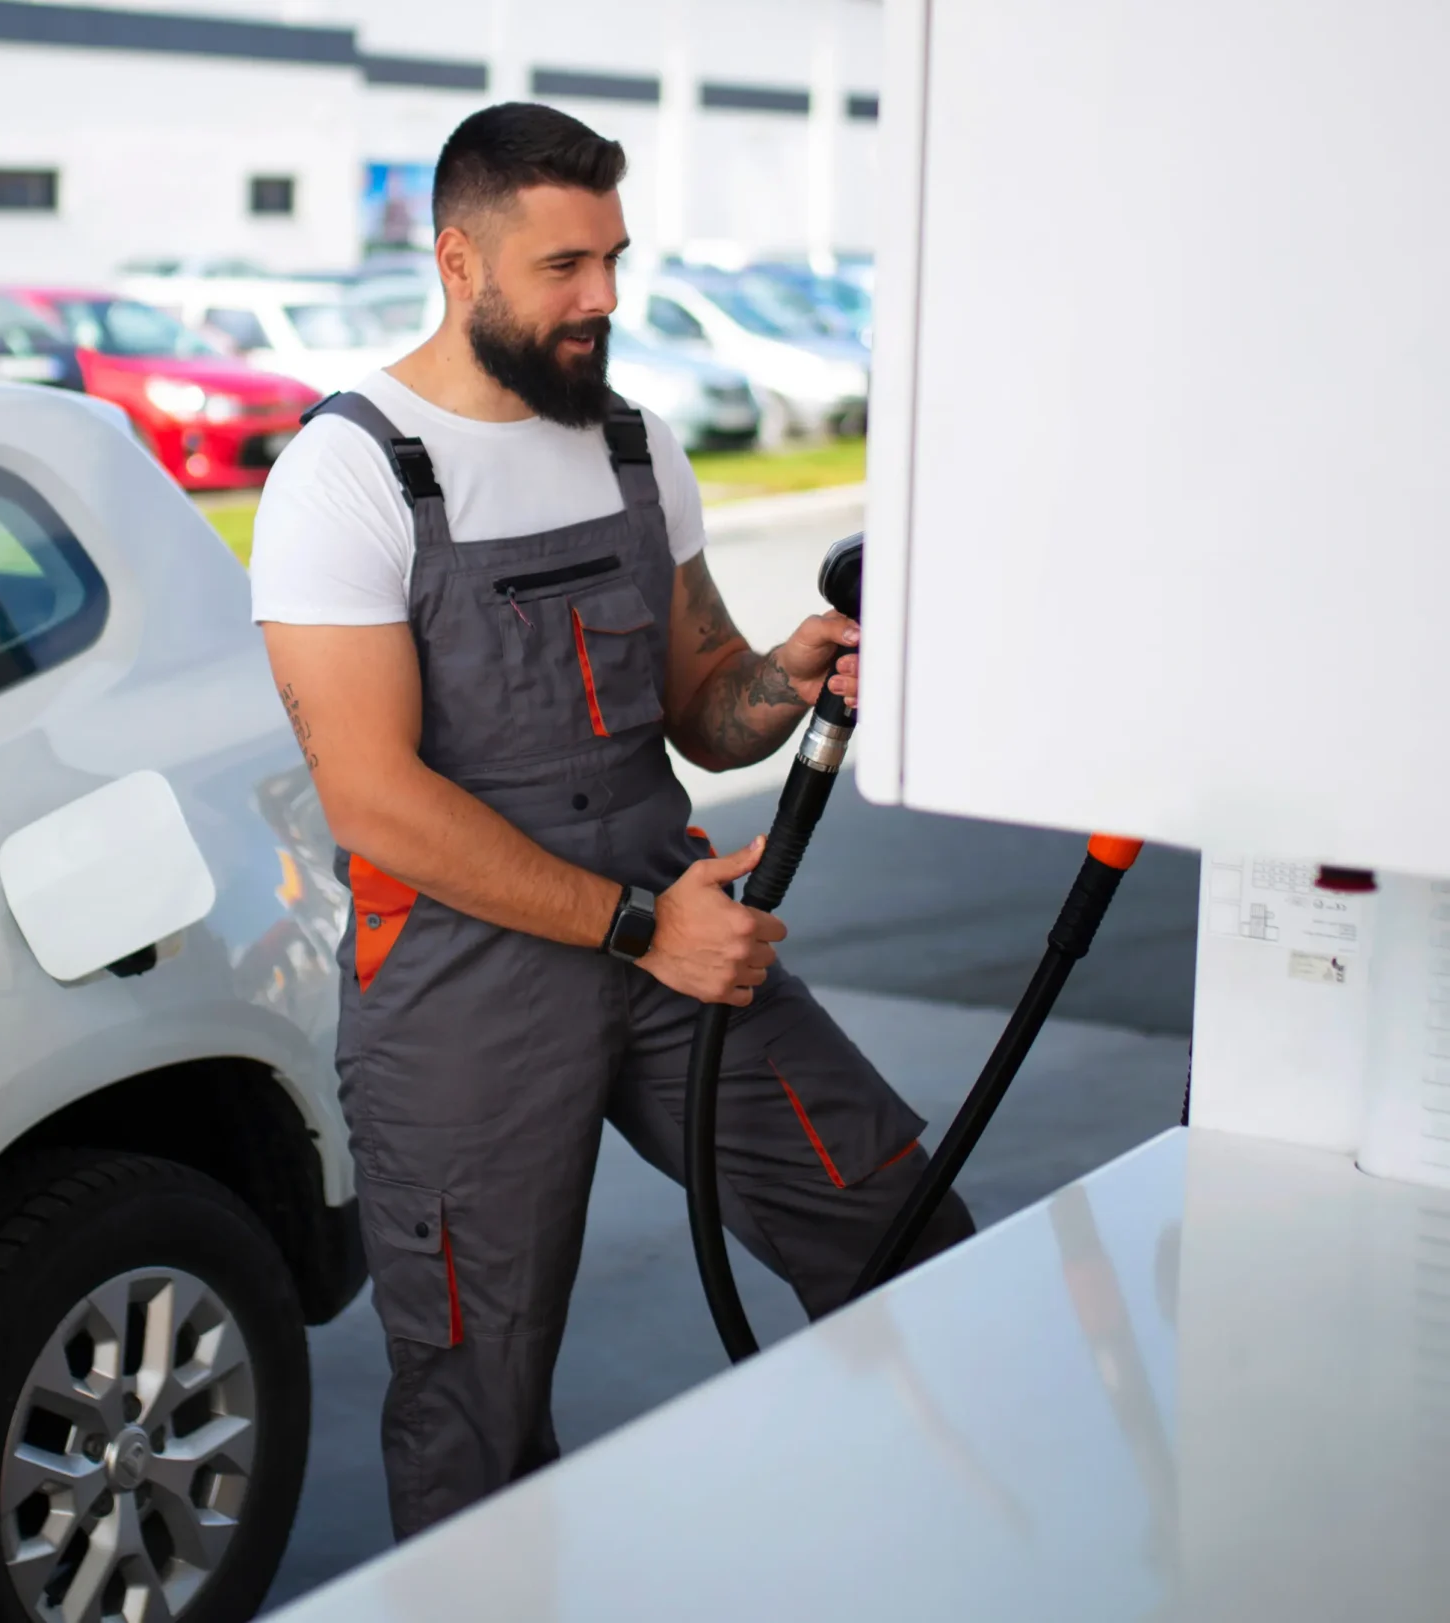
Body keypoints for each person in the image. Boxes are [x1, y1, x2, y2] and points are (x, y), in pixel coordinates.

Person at [251, 101, 976, 1541]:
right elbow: (375, 798)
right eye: (565, 267)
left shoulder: (636, 448)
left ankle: (940, 1545)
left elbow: (703, 702)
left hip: (668, 925)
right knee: (481, 1402)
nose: (604, 300)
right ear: (460, 262)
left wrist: (793, 668)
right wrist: (643, 931)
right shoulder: (349, 471)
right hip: (469, 985)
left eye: (617, 259)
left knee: (900, 1226)